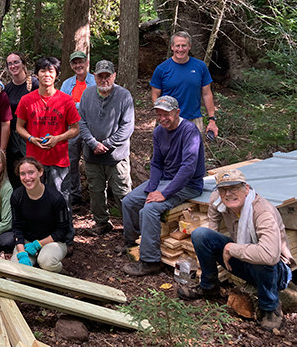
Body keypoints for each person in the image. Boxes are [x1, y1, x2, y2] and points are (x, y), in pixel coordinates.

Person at [177, 170, 293, 331]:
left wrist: (231, 248)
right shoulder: (217, 199)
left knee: (260, 257)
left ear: (246, 188)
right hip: (244, 261)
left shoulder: (263, 212)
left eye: (234, 188)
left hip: (274, 270)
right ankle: (209, 286)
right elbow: (212, 227)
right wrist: (208, 256)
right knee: (200, 234)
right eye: (223, 190)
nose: (228, 194)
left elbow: (270, 256)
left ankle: (270, 307)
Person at [119, 95, 205, 276]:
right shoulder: (158, 132)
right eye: (158, 115)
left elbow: (188, 168)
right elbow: (157, 163)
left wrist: (164, 193)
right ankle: (132, 242)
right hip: (166, 180)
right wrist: (152, 187)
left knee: (149, 210)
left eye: (166, 114)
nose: (162, 118)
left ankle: (150, 261)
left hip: (188, 184)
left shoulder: (189, 131)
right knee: (129, 201)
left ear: (177, 112)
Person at [15, 57, 79, 230]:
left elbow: (75, 129)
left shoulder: (66, 100)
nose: (46, 74)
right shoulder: (26, 100)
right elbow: (19, 127)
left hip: (59, 160)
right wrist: (31, 138)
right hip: (34, 161)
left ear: (56, 75)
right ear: (36, 74)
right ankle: (40, 233)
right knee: (35, 199)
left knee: (61, 199)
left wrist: (58, 138)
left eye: (51, 71)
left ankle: (66, 235)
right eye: (42, 71)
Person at [78, 60, 134, 235]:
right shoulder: (87, 95)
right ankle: (101, 222)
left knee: (122, 192)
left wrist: (108, 144)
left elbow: (128, 126)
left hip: (116, 156)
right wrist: (93, 143)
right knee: (95, 191)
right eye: (100, 76)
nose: (104, 80)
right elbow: (81, 121)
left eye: (107, 76)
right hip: (92, 154)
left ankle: (131, 229)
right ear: (94, 77)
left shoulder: (124, 95)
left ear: (114, 76)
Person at [150, 31, 218, 137]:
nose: (180, 49)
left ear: (189, 46)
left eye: (184, 46)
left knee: (193, 153)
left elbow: (207, 94)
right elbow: (155, 96)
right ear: (172, 47)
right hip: (169, 121)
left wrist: (212, 119)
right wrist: (163, 117)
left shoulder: (200, 67)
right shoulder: (162, 69)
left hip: (194, 120)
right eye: (177, 46)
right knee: (169, 153)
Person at [9, 157, 71, 273]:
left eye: (31, 172)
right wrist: (21, 252)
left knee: (47, 262)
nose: (27, 178)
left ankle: (57, 275)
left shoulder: (55, 198)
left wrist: (38, 244)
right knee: (13, 273)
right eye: (23, 174)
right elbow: (17, 226)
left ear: (40, 172)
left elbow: (63, 230)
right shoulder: (17, 196)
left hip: (53, 241)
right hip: (27, 242)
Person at [60, 51, 96, 205]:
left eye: (80, 62)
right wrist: (81, 105)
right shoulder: (67, 84)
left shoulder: (95, 81)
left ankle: (97, 197)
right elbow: (61, 104)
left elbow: (96, 105)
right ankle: (75, 195)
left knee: (93, 163)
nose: (78, 65)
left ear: (87, 62)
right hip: (72, 128)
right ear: (71, 65)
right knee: (72, 162)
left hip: (92, 128)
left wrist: (74, 105)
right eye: (74, 63)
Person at [4, 52, 39, 188]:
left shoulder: (35, 84)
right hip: (13, 136)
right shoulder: (7, 89)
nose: (13, 66)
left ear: (23, 63)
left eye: (16, 62)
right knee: (15, 173)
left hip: (31, 135)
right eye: (10, 63)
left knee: (32, 170)